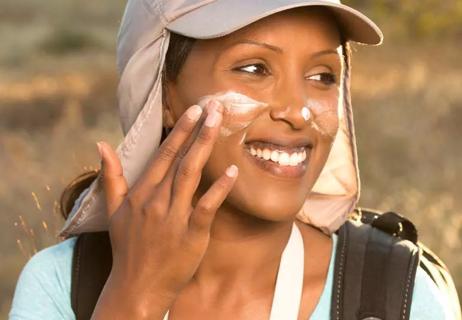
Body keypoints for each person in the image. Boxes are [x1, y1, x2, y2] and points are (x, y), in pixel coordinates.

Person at [9, 1, 461, 319]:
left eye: (322, 76)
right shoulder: (61, 286)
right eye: (254, 69)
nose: (298, 111)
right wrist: (133, 300)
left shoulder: (396, 294)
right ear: (162, 93)